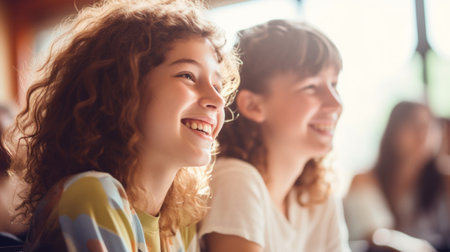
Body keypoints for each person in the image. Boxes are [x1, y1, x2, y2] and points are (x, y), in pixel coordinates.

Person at [5, 0, 240, 251]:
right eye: (187, 76)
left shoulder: (178, 225)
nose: (217, 100)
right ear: (123, 88)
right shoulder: (92, 196)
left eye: (218, 86)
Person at [198, 20, 350, 252]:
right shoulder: (237, 180)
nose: (335, 104)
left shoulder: (316, 195)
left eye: (333, 84)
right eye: (310, 87)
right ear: (253, 105)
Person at [345, 101, 450, 252]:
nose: (423, 133)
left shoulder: (445, 180)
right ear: (393, 130)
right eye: (413, 124)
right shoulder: (364, 180)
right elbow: (375, 237)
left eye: (430, 126)